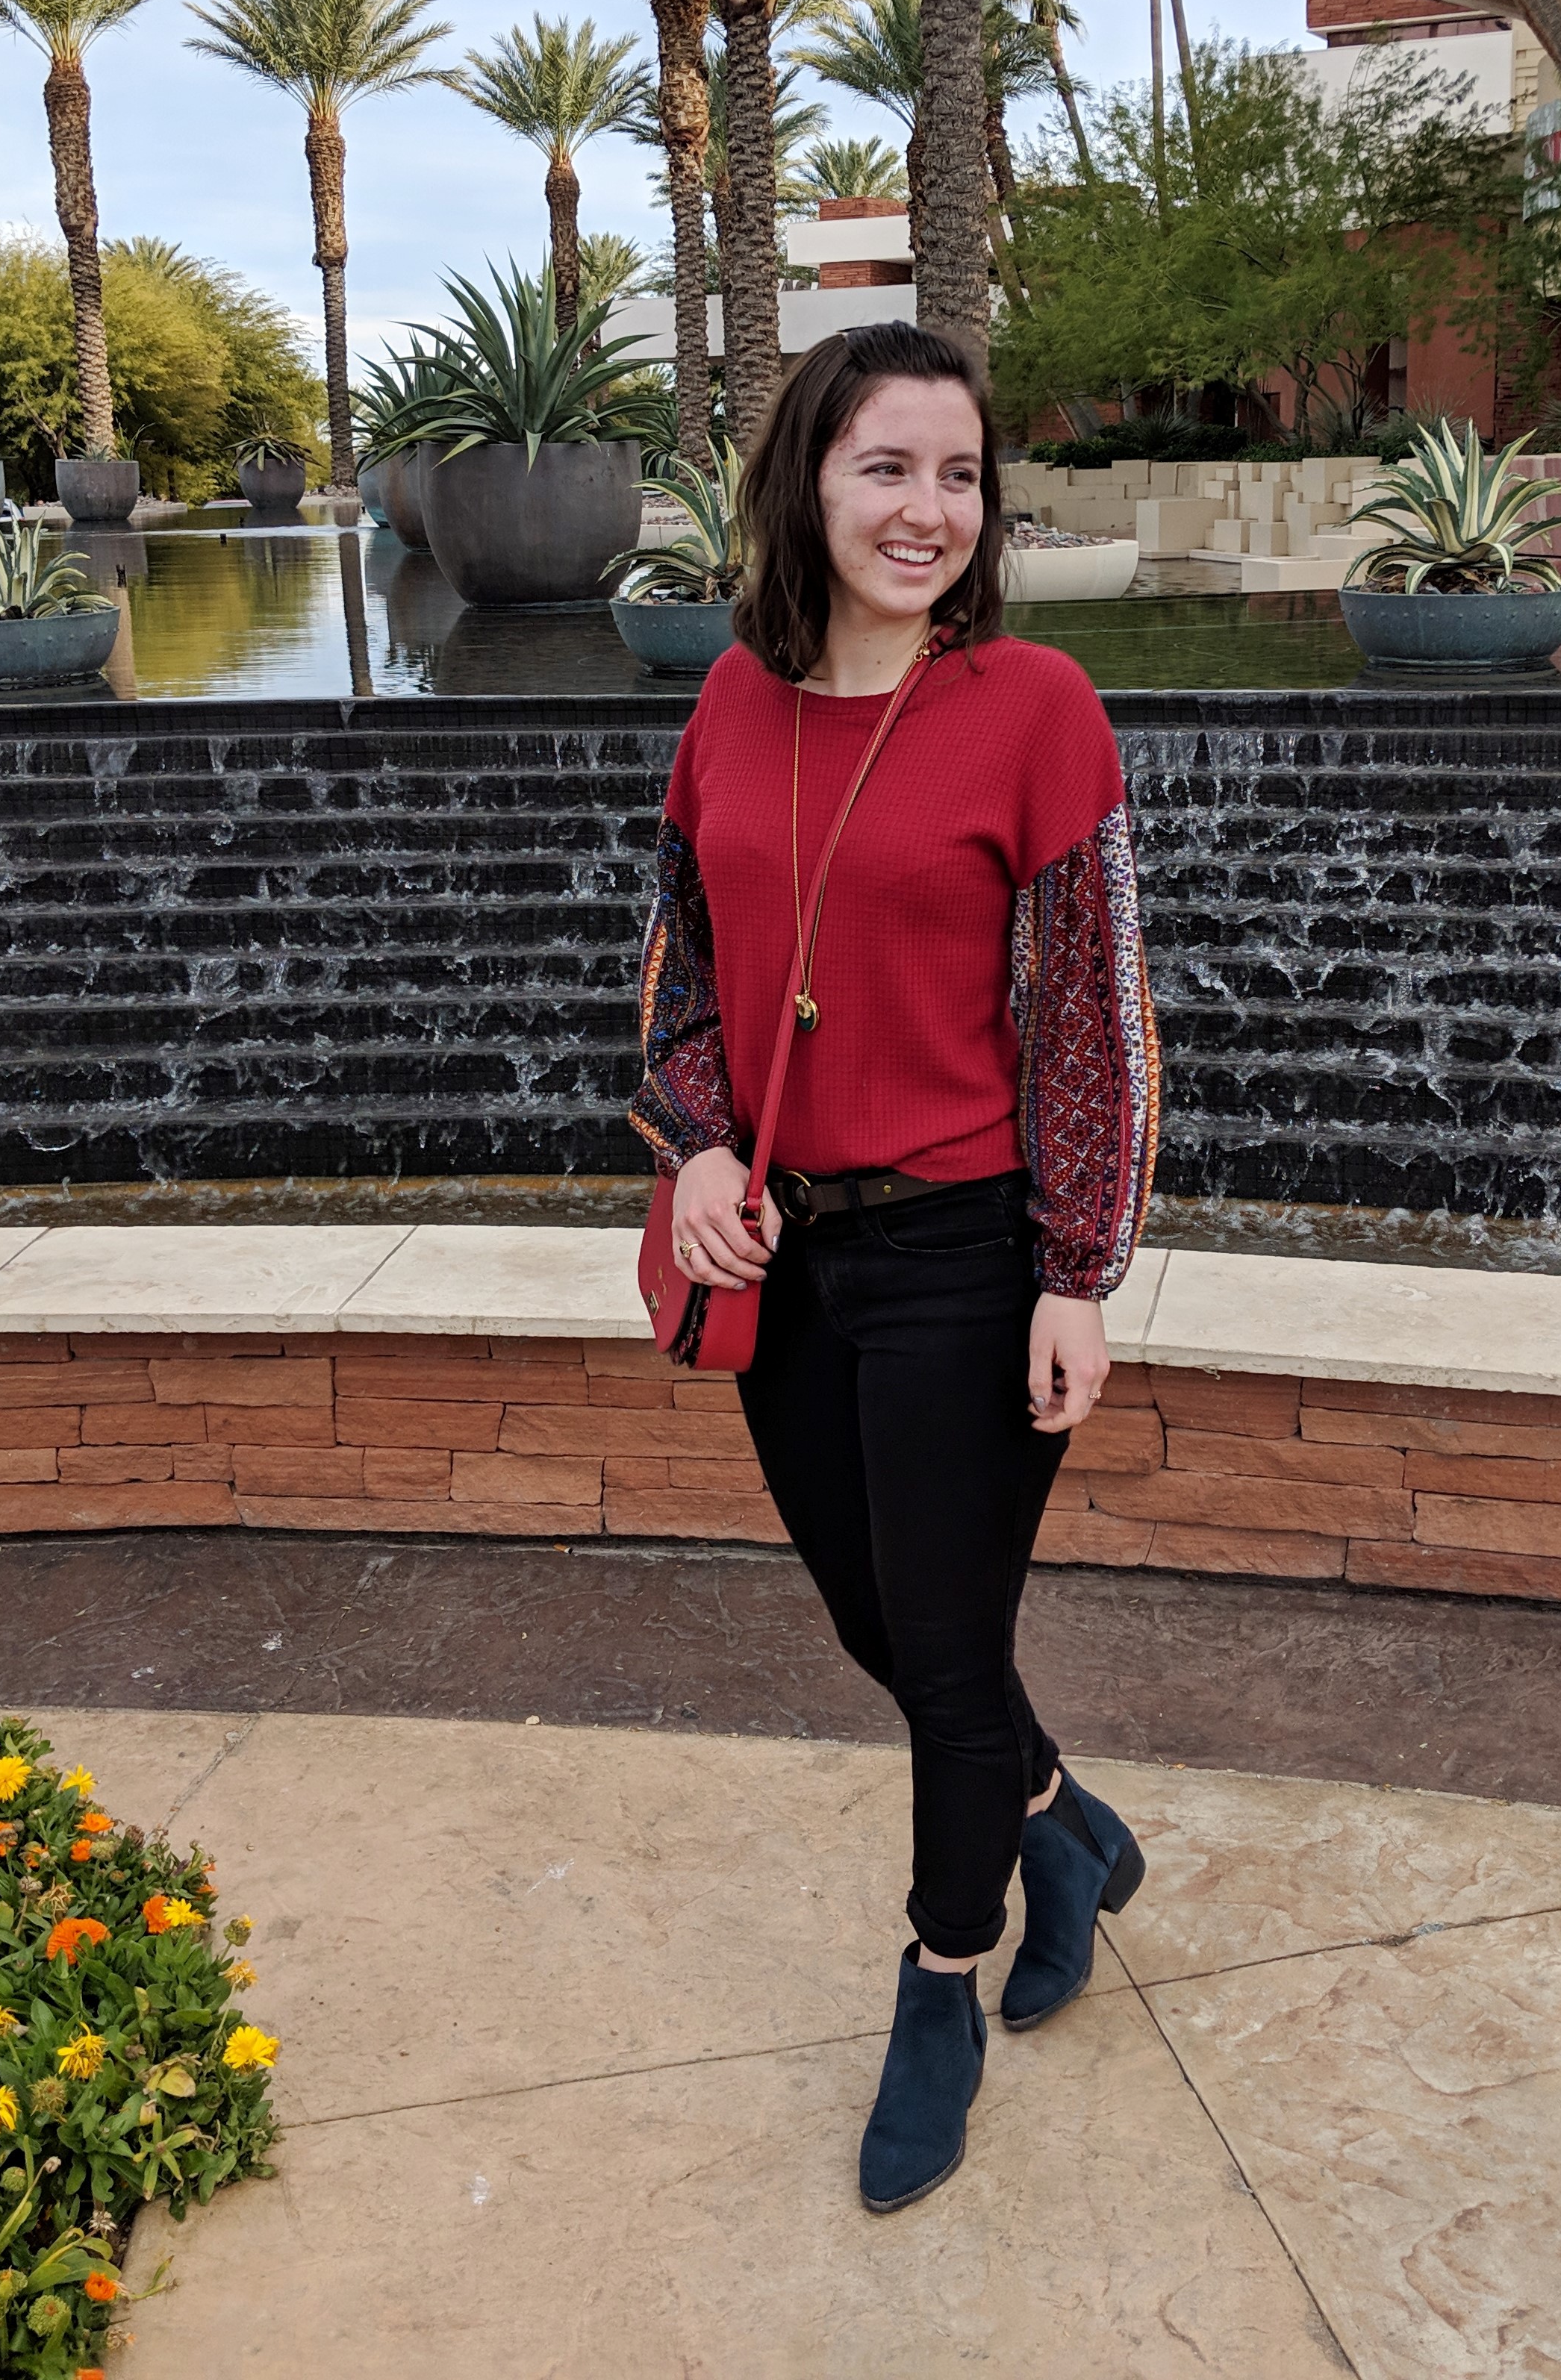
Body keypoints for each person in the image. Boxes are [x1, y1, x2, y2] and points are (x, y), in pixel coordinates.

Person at [629, 321, 1159, 2214]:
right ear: (806, 483)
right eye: (884, 468)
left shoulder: (1035, 705)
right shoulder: (724, 706)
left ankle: (940, 1976)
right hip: (788, 1257)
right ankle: (1065, 1822)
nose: (925, 508)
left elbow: (1094, 1019)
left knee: (939, 1656)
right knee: (880, 1627)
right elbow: (679, 986)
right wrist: (695, 1145)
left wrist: (1075, 1266)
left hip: (965, 1245)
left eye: (957, 475)